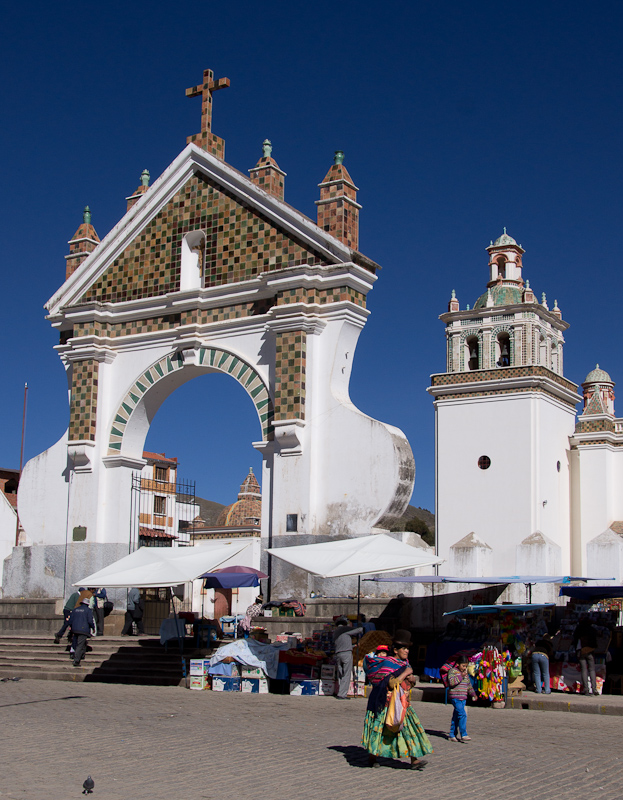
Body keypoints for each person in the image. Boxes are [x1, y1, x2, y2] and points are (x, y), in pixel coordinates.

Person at [362, 630, 432, 769]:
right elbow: (391, 683)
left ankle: (414, 760)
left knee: (408, 729)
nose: (407, 651)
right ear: (395, 650)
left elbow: (408, 684)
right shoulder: (388, 664)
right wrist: (406, 673)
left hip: (401, 702)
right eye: (404, 648)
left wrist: (412, 680)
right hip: (385, 703)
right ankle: (372, 756)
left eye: (407, 648)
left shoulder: (404, 663)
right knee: (379, 730)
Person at [447, 658, 477, 741]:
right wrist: (461, 676)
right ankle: (463, 733)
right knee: (462, 714)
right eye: (463, 666)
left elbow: (469, 685)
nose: (464, 668)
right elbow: (452, 682)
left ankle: (452, 734)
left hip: (463, 698)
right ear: (458, 664)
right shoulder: (452, 672)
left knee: (456, 716)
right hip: (455, 697)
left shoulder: (466, 674)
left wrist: (473, 694)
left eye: (466, 666)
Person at [333, 616, 363, 699]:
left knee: (341, 674)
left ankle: (340, 691)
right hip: (346, 654)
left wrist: (353, 646)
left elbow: (343, 643)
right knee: (346, 674)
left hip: (338, 654)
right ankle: (342, 694)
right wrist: (359, 622)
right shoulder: (344, 629)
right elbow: (359, 630)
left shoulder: (335, 632)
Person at [68, 590, 95, 667]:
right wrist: (93, 628)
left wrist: (71, 627)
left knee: (78, 644)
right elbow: (90, 620)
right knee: (80, 645)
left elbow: (70, 620)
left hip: (75, 629)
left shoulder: (75, 610)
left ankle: (80, 655)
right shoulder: (88, 610)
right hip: (83, 630)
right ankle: (76, 660)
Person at [573, 615, 599, 695]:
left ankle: (586, 689)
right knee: (592, 669)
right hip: (590, 651)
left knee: (584, 670)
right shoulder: (592, 630)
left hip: (581, 651)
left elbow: (574, 639)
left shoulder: (579, 629)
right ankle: (594, 689)